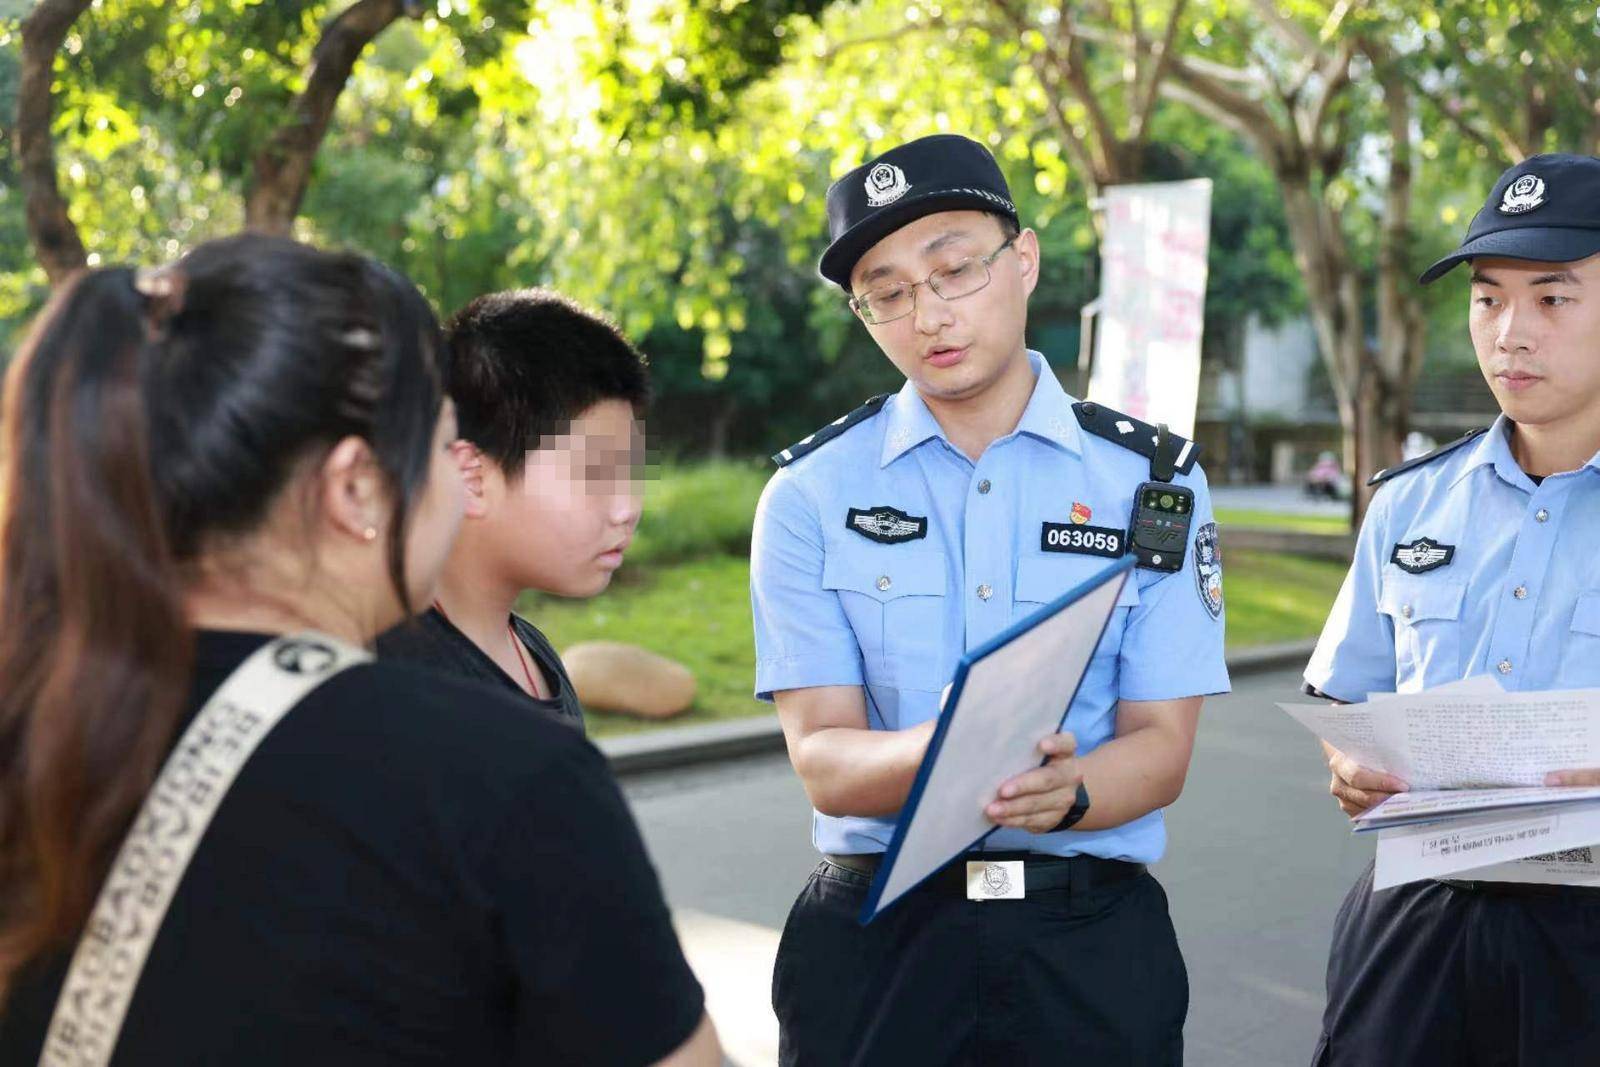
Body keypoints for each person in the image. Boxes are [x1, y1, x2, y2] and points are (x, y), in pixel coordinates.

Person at [0, 236, 717, 1066]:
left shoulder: (41, 714)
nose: (458, 479)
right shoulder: (502, 775)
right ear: (354, 489)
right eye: (442, 444)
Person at [749, 133, 1230, 1064]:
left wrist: (1071, 787)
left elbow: (1162, 748)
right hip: (876, 942)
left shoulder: (1152, 483)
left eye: (954, 268)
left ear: (1024, 260)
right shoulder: (810, 494)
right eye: (886, 292)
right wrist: (951, 751)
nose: (928, 312)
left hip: (1084, 945)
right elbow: (824, 757)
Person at [1304, 153, 1600, 1065]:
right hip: (1413, 922)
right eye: (1487, 297)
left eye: (1553, 299)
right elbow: (1348, 696)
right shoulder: (1409, 503)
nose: (1511, 332)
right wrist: (1350, 760)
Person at [378, 289, 648, 731]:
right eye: (595, 474)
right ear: (473, 477)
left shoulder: (535, 655)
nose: (627, 509)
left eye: (631, 472)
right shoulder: (402, 685)